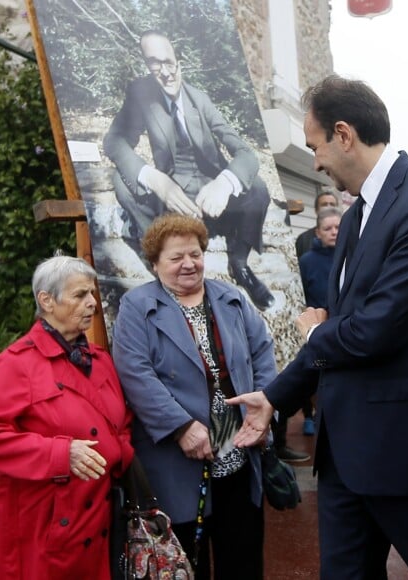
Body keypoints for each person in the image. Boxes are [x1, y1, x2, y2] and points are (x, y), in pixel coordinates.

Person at [228, 75, 408, 579]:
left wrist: (310, 332)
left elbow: (374, 330)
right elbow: (341, 328)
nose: (317, 163)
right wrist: (276, 397)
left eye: (315, 147)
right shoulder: (354, 218)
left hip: (402, 447)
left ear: (343, 134)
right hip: (342, 451)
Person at [112, 213, 277, 580]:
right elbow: (134, 373)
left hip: (238, 454)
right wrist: (181, 426)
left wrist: (263, 409)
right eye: (175, 258)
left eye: (195, 254)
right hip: (178, 462)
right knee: (187, 563)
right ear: (154, 264)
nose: (189, 264)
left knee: (243, 559)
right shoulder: (136, 308)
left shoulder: (231, 297)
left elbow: (263, 352)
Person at [0, 256, 134, 580]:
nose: (92, 304)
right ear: (46, 301)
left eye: (92, 294)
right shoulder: (17, 363)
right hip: (45, 530)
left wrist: (120, 454)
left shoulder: (99, 360)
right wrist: (61, 453)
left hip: (99, 521)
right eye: (80, 295)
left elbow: (122, 422)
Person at [103, 30, 274, 311]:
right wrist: (155, 179)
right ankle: (160, 265)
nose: (165, 73)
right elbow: (114, 141)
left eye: (169, 62)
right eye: (154, 64)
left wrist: (224, 183)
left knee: (257, 188)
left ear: (180, 62)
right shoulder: (141, 93)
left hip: (213, 198)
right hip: (176, 201)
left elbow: (246, 153)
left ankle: (240, 265)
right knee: (122, 181)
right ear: (146, 65)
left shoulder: (201, 100)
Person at [297, 206, 341, 436]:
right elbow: (301, 292)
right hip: (315, 327)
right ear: (318, 232)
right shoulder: (307, 261)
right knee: (311, 371)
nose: (334, 232)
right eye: (328, 228)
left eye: (337, 227)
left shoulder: (351, 256)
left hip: (342, 326)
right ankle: (310, 415)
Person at [294, 188, 340, 258]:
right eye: (324, 205)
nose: (328, 207)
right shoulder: (304, 239)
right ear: (316, 210)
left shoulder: (347, 237)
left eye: (332, 204)